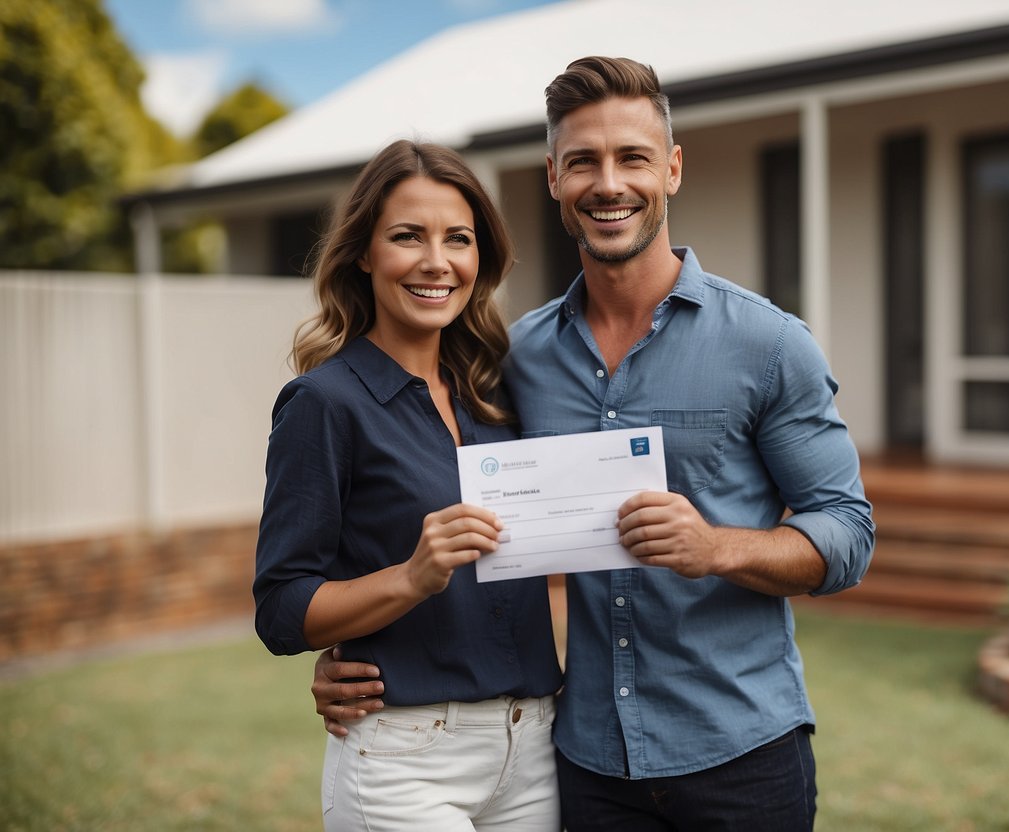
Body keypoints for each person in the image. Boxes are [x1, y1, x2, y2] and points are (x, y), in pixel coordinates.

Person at [312, 57, 875, 830]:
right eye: (583, 161)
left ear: (671, 169)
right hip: (584, 765)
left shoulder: (769, 345)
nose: (608, 183)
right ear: (552, 176)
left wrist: (716, 548)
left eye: (632, 157)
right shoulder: (514, 359)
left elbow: (847, 535)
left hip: (742, 757)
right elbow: (430, 510)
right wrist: (357, 659)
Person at [253, 139, 563, 832]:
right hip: (406, 762)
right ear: (363, 253)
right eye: (406, 236)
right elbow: (279, 609)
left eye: (458, 238)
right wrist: (411, 577)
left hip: (533, 750)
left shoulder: (499, 395)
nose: (435, 261)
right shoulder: (324, 403)